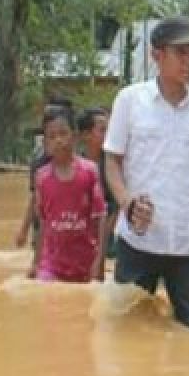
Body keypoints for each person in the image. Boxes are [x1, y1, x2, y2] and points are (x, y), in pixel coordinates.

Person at [103, 16, 189, 328]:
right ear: (156, 55)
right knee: (127, 334)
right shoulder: (129, 101)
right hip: (138, 242)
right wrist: (127, 203)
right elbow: (113, 161)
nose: (188, 61)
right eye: (179, 52)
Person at [30, 106, 106, 282]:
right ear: (45, 143)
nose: (58, 140)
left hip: (84, 262)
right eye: (52, 136)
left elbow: (100, 217)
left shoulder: (89, 171)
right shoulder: (41, 177)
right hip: (52, 264)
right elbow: (43, 223)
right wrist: (36, 263)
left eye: (63, 133)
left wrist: (99, 261)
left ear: (74, 136)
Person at [14, 95, 73, 249]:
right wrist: (24, 230)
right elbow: (35, 198)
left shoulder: (86, 166)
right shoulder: (40, 162)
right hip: (45, 232)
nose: (58, 140)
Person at [78, 106, 118, 273]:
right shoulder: (75, 166)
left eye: (110, 130)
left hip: (108, 237)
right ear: (85, 135)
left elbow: (115, 208)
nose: (109, 135)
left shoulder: (112, 167)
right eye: (103, 130)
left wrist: (101, 247)